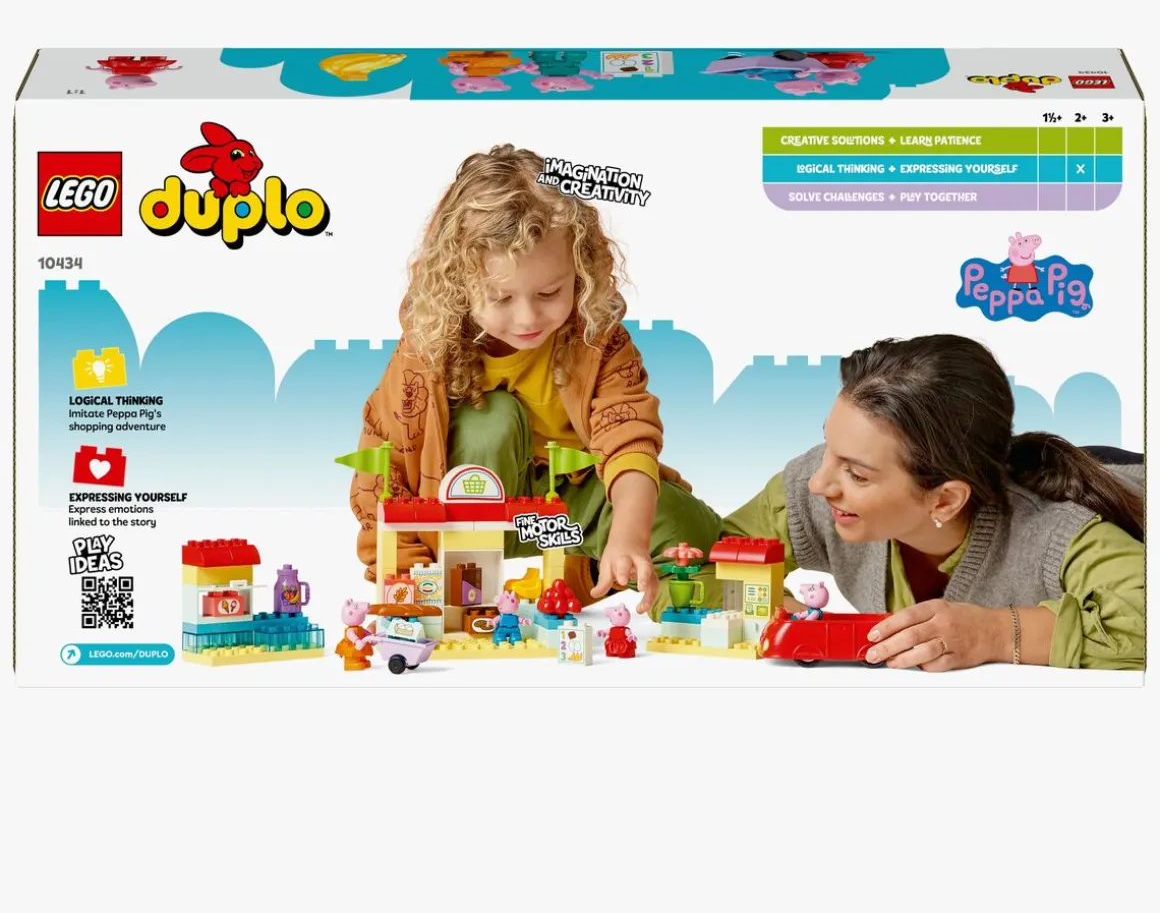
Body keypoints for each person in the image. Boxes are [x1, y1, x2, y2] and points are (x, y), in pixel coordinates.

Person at [349, 144, 721, 613]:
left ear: (580, 272)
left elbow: (628, 435)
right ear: (460, 284)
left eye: (549, 292)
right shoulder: (427, 349)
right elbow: (384, 465)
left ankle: (592, 569)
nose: (527, 318)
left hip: (563, 509)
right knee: (490, 420)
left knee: (685, 525)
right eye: (501, 298)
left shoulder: (595, 337)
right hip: (470, 510)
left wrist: (628, 536)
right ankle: (468, 582)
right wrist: (405, 577)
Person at [679, 335, 1144, 671]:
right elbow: (704, 562)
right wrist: (791, 618)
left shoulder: (1057, 532)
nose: (819, 484)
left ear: (945, 500)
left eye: (857, 474)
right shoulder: (814, 488)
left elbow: (1144, 619)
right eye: (828, 449)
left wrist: (995, 634)